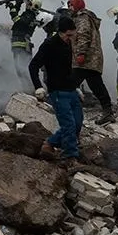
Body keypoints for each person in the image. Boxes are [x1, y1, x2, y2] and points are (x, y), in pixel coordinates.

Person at [29, 16, 84, 160]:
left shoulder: (68, 44)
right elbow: (33, 66)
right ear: (61, 32)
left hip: (71, 90)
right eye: (68, 35)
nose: (70, 38)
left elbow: (68, 68)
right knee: (69, 125)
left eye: (73, 35)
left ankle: (50, 142)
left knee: (77, 123)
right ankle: (70, 156)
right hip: (58, 91)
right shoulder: (49, 44)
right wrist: (38, 87)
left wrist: (76, 87)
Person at [66, 0, 116, 125]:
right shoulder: (87, 17)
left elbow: (83, 35)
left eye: (71, 5)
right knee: (96, 85)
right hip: (92, 59)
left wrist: (80, 53)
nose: (69, 8)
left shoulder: (82, 18)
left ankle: (64, 110)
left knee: (70, 84)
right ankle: (108, 111)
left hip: (85, 59)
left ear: (77, 6)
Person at [7, 0, 45, 88]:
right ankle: (31, 87)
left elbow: (16, 20)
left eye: (28, 3)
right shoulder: (29, 15)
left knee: (22, 69)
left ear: (33, 6)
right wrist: (18, 4)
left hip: (21, 45)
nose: (26, 4)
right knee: (20, 70)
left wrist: (13, 7)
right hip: (20, 45)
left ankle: (33, 88)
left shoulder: (30, 16)